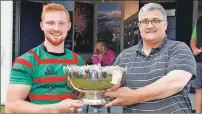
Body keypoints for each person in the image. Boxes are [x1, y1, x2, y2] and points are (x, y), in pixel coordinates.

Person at [104, 3, 196, 113]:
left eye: (156, 20)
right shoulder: (124, 56)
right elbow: (110, 89)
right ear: (139, 26)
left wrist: (134, 96)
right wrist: (91, 95)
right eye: (145, 21)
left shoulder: (178, 49)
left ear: (165, 24)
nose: (150, 25)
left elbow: (175, 83)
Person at [5, 3, 85, 113]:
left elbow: (83, 95)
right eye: (50, 23)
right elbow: (11, 106)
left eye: (61, 23)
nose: (56, 28)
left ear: (69, 26)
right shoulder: (26, 61)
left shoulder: (79, 61)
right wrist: (55, 109)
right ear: (42, 26)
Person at [190, 6, 202, 113]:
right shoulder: (199, 22)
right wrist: (194, 49)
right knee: (199, 91)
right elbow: (193, 39)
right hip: (199, 61)